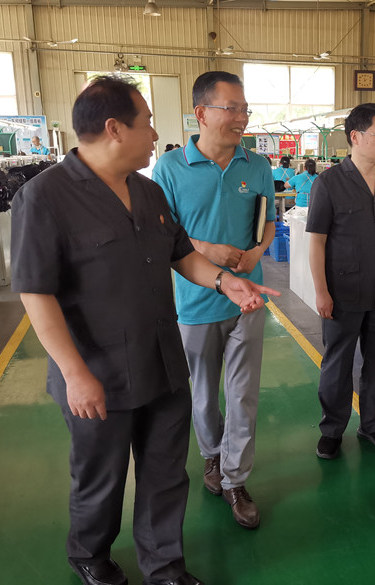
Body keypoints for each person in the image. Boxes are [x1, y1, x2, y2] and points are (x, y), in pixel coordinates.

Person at [11, 75, 277, 585]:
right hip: (98, 371)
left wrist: (225, 282)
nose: (155, 134)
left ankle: (165, 566)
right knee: (101, 475)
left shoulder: (148, 191)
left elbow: (182, 255)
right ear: (114, 128)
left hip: (161, 361)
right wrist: (74, 374)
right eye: (147, 123)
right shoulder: (44, 197)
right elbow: (36, 293)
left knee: (165, 473)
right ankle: (90, 555)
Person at [152, 71, 276, 530]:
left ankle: (235, 479)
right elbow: (164, 235)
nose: (241, 118)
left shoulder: (257, 165)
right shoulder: (169, 168)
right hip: (196, 300)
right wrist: (208, 251)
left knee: (243, 394)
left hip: (248, 298)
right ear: (201, 113)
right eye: (232, 108)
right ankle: (211, 455)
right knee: (203, 393)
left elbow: (267, 221)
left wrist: (257, 253)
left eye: (245, 109)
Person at [307, 102, 375, 460]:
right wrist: (321, 292)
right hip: (342, 293)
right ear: (356, 136)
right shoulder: (329, 183)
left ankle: (372, 425)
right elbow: (316, 241)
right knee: (337, 364)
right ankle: (332, 430)